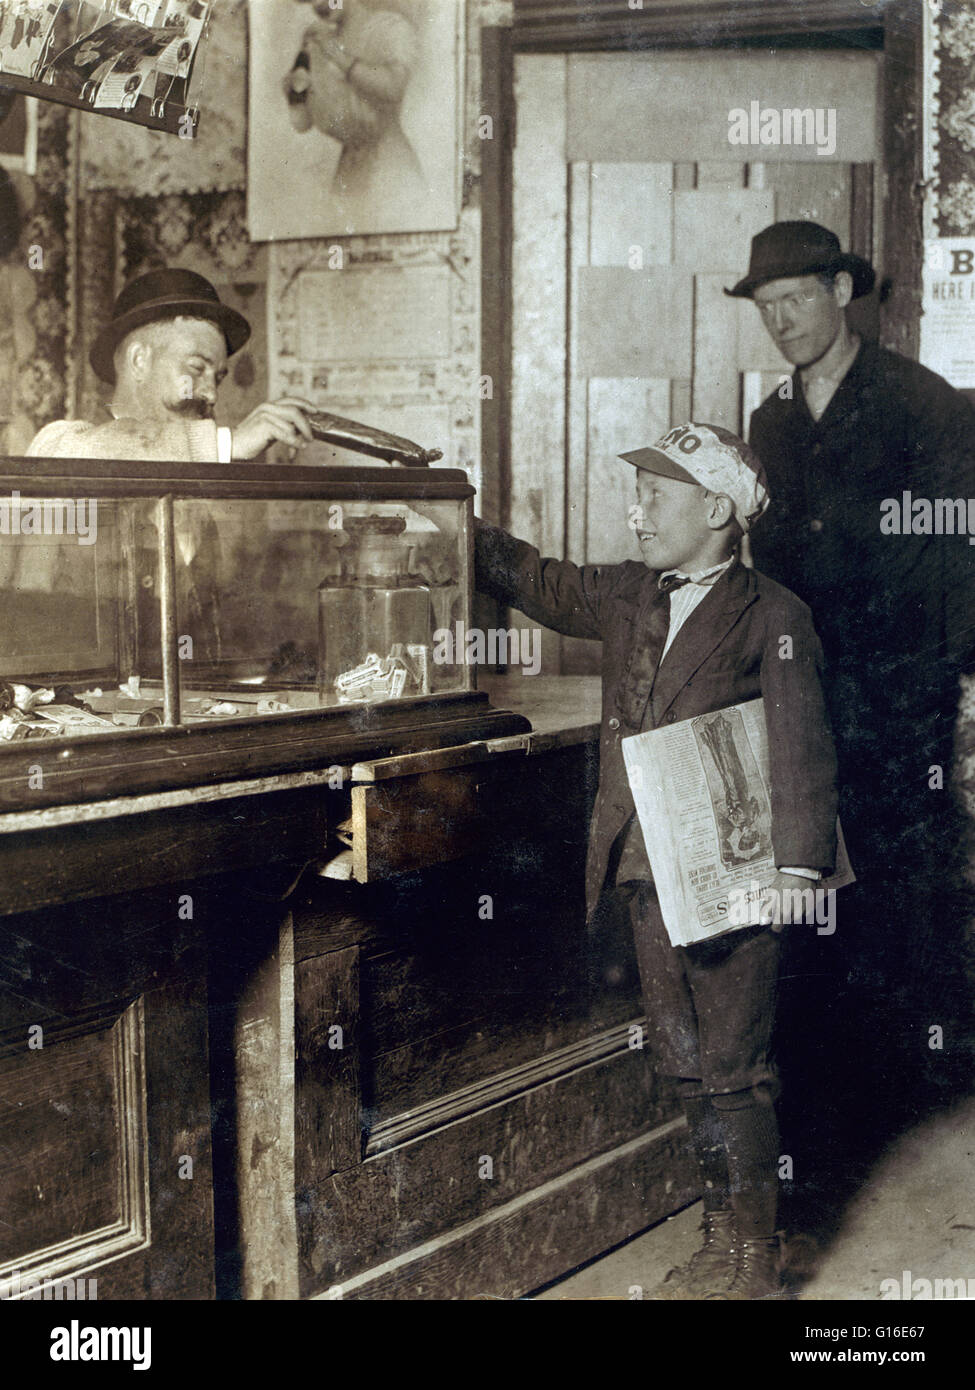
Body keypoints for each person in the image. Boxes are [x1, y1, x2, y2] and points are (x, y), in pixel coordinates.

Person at [474, 422, 839, 1299]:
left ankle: (754, 1258)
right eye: (636, 496)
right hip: (643, 871)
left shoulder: (776, 615)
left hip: (737, 885)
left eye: (656, 498)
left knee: (735, 1070)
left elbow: (801, 746)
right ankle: (720, 1234)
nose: (635, 515)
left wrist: (794, 875)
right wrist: (448, 517)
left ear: (716, 509)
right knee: (683, 1062)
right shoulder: (628, 594)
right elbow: (535, 580)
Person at [729, 222, 975, 1171]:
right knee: (809, 873)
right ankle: (832, 1091)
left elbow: (956, 557)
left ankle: (908, 1089)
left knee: (902, 878)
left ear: (841, 290)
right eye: (765, 307)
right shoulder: (770, 424)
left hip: (899, 689)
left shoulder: (923, 404)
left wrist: (931, 684)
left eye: (795, 298)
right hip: (804, 689)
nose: (781, 320)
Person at [27, 267, 316, 462]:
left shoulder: (193, 490)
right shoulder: (60, 444)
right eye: (195, 368)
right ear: (140, 361)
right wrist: (229, 444)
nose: (213, 394)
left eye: (217, 378)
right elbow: (98, 455)